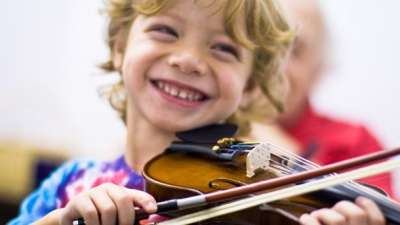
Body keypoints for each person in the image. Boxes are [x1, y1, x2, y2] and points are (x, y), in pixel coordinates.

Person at [9, 0, 388, 225]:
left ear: (250, 86)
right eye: (165, 31)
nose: (189, 60)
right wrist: (64, 218)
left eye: (224, 49)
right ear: (120, 46)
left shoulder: (249, 208)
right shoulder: (72, 183)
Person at [258, 0, 394, 196]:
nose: (275, 67)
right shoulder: (206, 120)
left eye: (295, 51)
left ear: (318, 68)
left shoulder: (355, 141)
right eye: (263, 47)